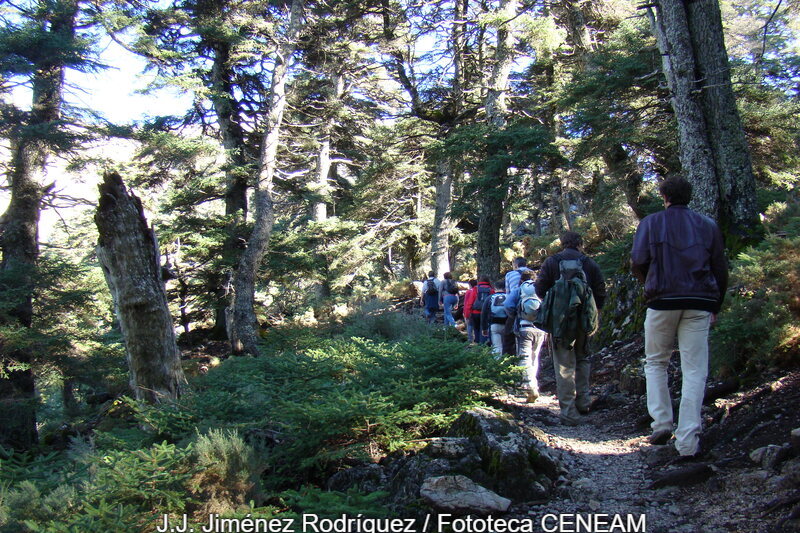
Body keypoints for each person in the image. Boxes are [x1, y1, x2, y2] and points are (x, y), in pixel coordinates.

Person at [630, 175, 728, 457]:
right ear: (689, 196)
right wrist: (715, 306)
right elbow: (719, 267)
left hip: (661, 301)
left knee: (656, 362)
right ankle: (687, 440)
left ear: (664, 196)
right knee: (695, 368)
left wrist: (650, 282)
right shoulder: (707, 225)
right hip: (699, 301)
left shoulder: (651, 223)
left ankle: (661, 422)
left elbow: (638, 260)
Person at [536, 231, 606, 425]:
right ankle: (583, 402)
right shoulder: (589, 263)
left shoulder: (551, 262)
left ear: (562, 243)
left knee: (563, 364)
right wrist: (594, 310)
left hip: (560, 323)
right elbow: (600, 289)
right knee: (583, 358)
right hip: (584, 320)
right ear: (580, 244)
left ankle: (568, 411)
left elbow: (539, 289)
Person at [503, 270, 546, 402]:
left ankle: (530, 386)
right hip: (540, 328)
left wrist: (516, 315)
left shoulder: (519, 290)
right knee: (535, 357)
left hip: (524, 327)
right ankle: (534, 384)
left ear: (521, 279)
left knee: (524, 356)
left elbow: (508, 305)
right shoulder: (541, 290)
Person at [503, 257, 531, 354]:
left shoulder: (510, 274)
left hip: (515, 307)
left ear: (515, 265)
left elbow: (508, 295)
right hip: (531, 309)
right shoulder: (533, 273)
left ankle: (510, 357)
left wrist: (511, 314)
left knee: (509, 334)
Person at [481, 279, 508, 355]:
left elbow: (484, 313)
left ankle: (497, 363)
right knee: (506, 346)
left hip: (494, 324)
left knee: (497, 346)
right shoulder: (508, 297)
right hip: (507, 324)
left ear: (495, 288)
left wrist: (484, 328)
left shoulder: (490, 298)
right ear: (505, 288)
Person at [464, 276, 493, 344]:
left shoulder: (476, 289)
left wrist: (467, 313)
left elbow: (470, 302)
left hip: (475, 312)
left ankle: (477, 343)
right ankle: (484, 344)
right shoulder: (491, 289)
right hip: (486, 313)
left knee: (476, 329)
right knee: (484, 328)